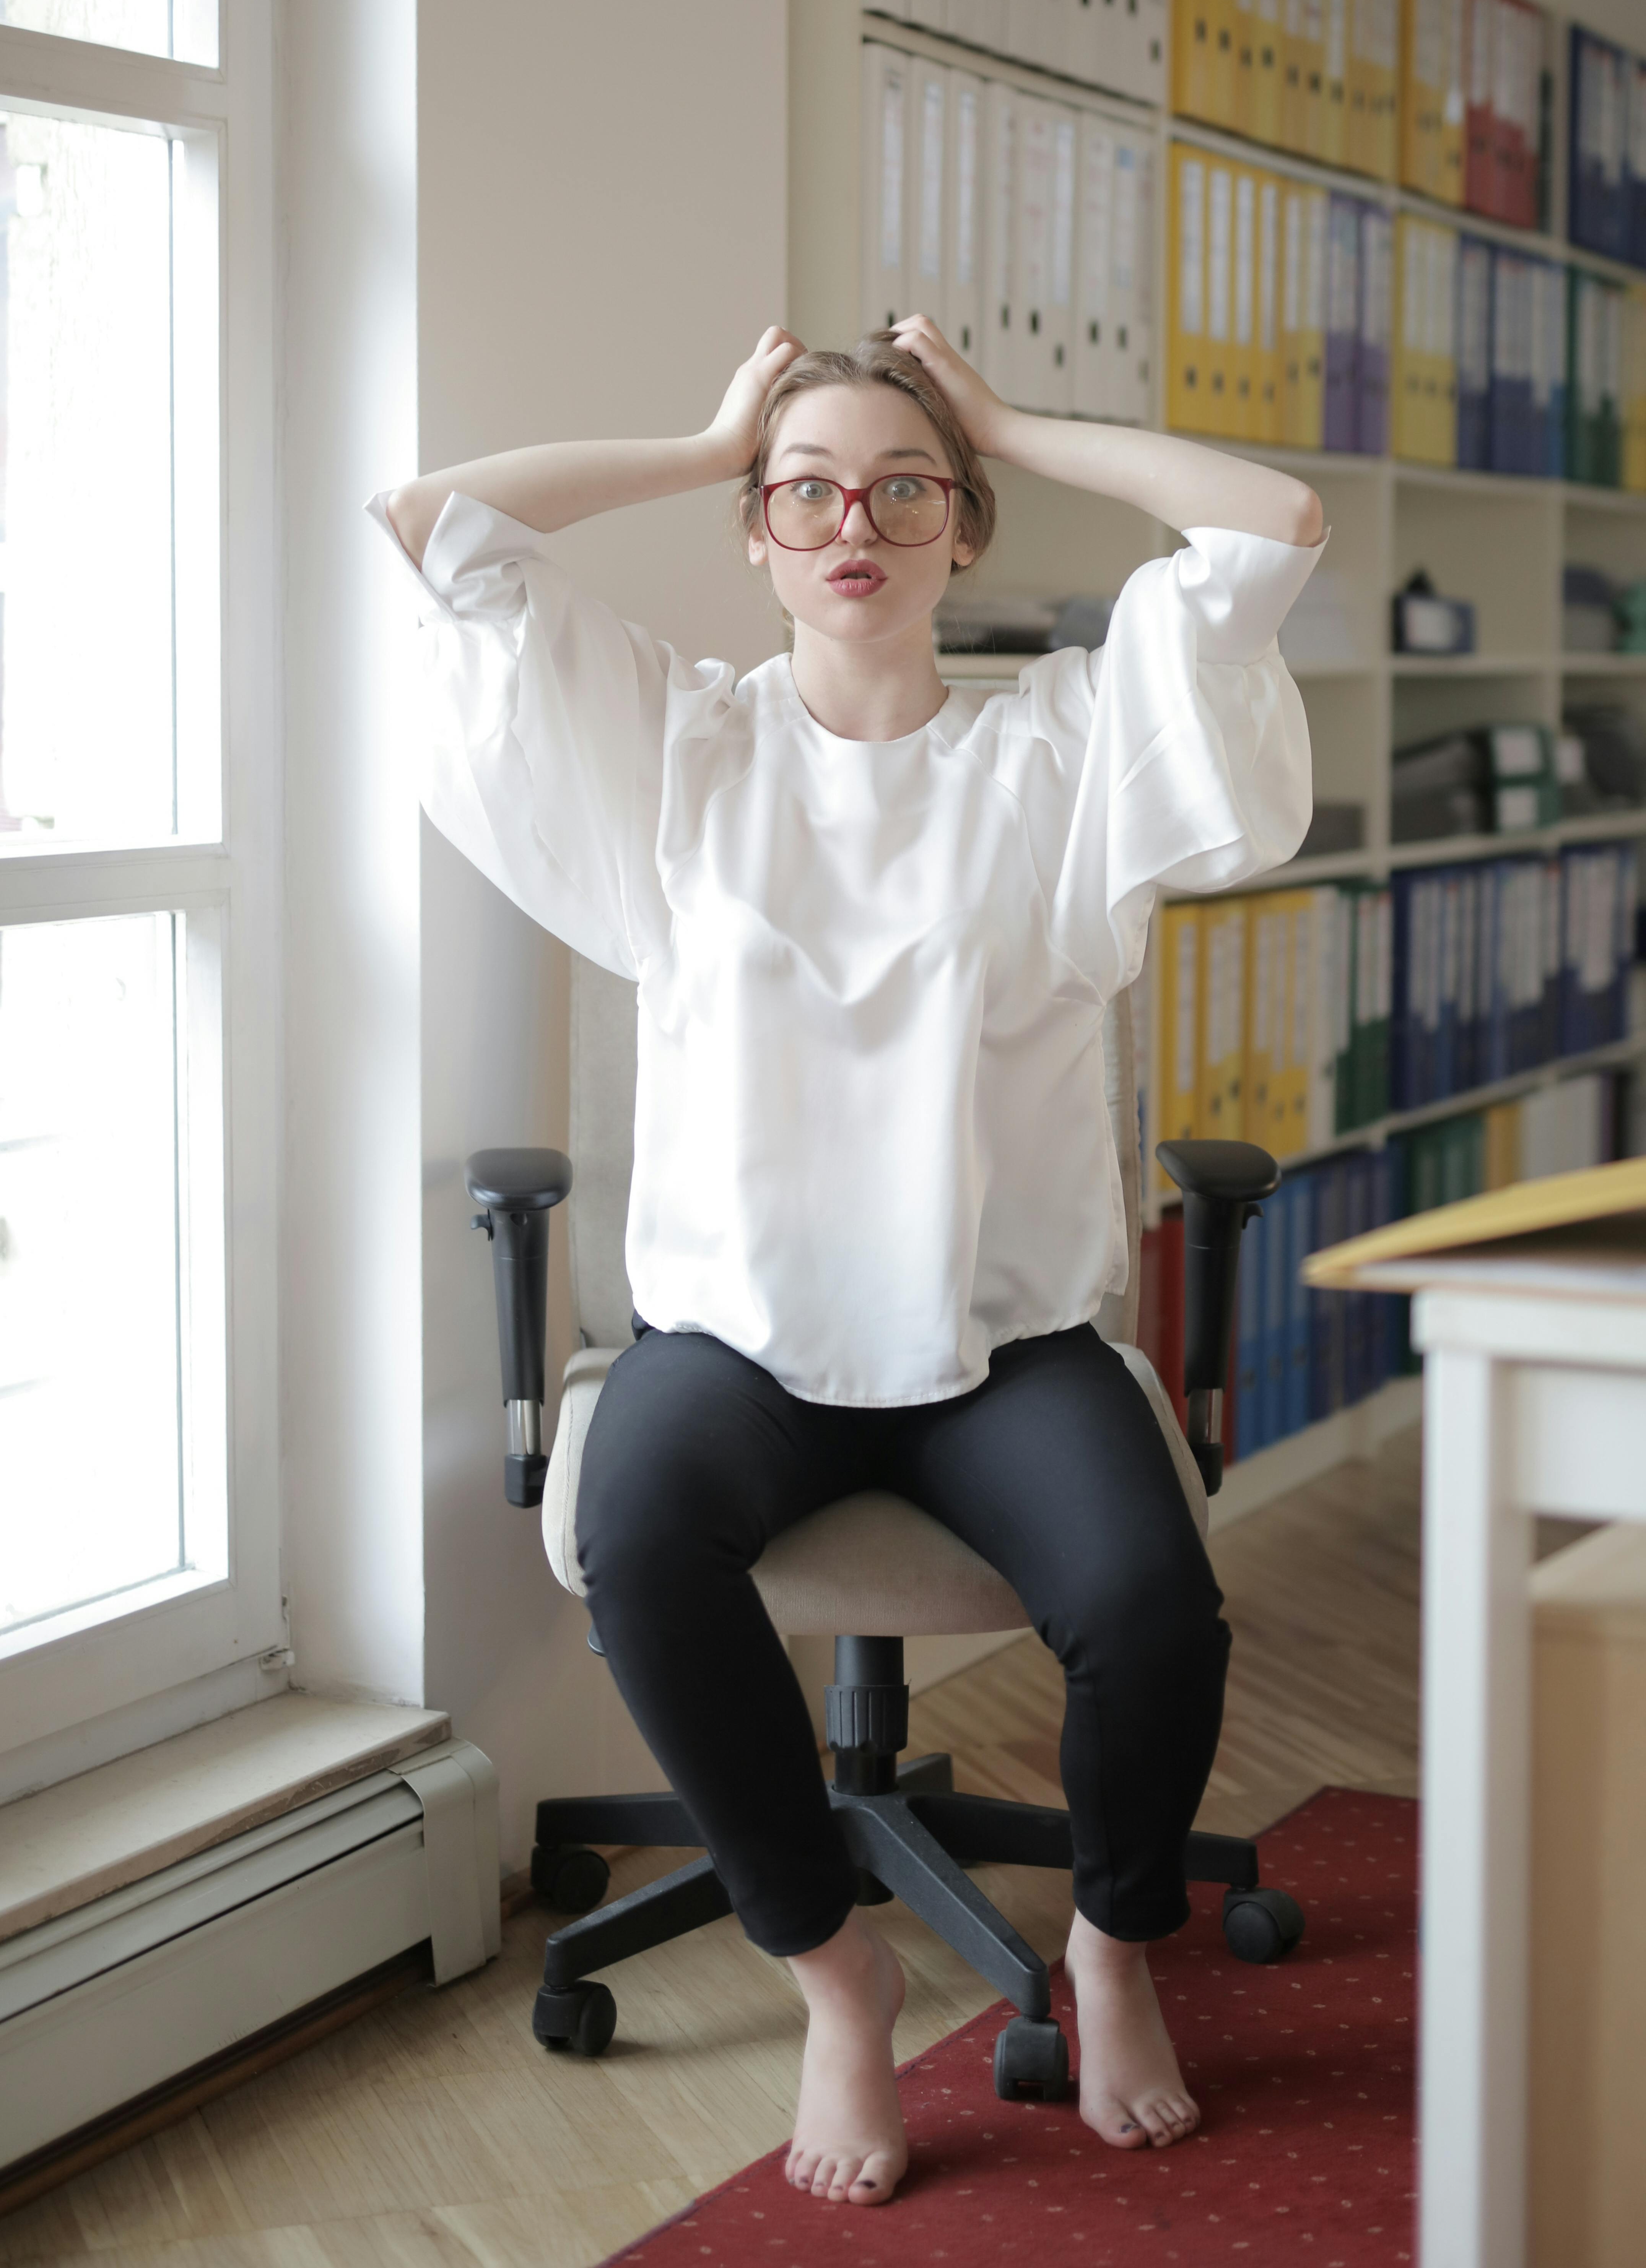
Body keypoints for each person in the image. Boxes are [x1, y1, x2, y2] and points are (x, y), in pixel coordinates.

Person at [377, 317, 1324, 2208]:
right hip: (736, 1340)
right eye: (803, 492)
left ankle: (1112, 1945)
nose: (851, 525)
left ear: (960, 525)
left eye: (903, 489)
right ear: (757, 532)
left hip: (1003, 1341)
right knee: (638, 1539)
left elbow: (1268, 523)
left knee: (1152, 1605)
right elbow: (434, 526)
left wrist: (1006, 421)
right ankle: (832, 1971)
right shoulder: (681, 744)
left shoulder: (1062, 751)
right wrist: (706, 427)